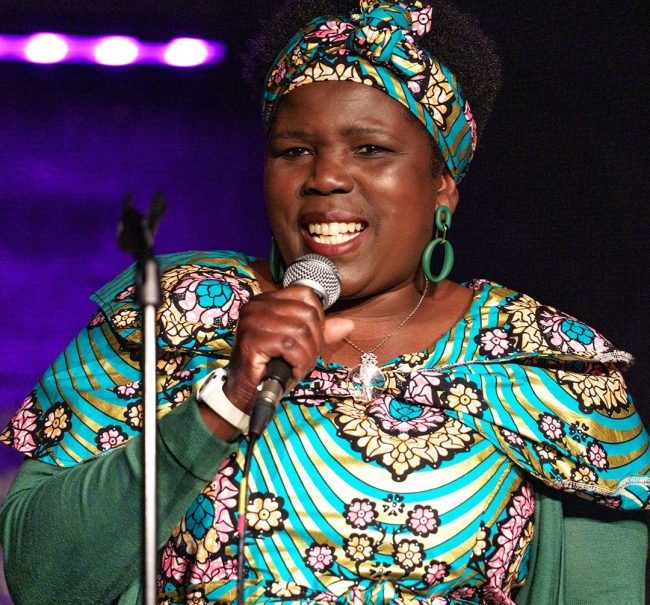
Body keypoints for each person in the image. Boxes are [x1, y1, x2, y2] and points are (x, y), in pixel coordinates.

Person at [1, 1, 648, 604]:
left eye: (371, 149)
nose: (326, 177)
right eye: (295, 150)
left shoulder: (545, 366)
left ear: (443, 185)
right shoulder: (171, 312)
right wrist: (221, 406)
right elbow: (40, 576)